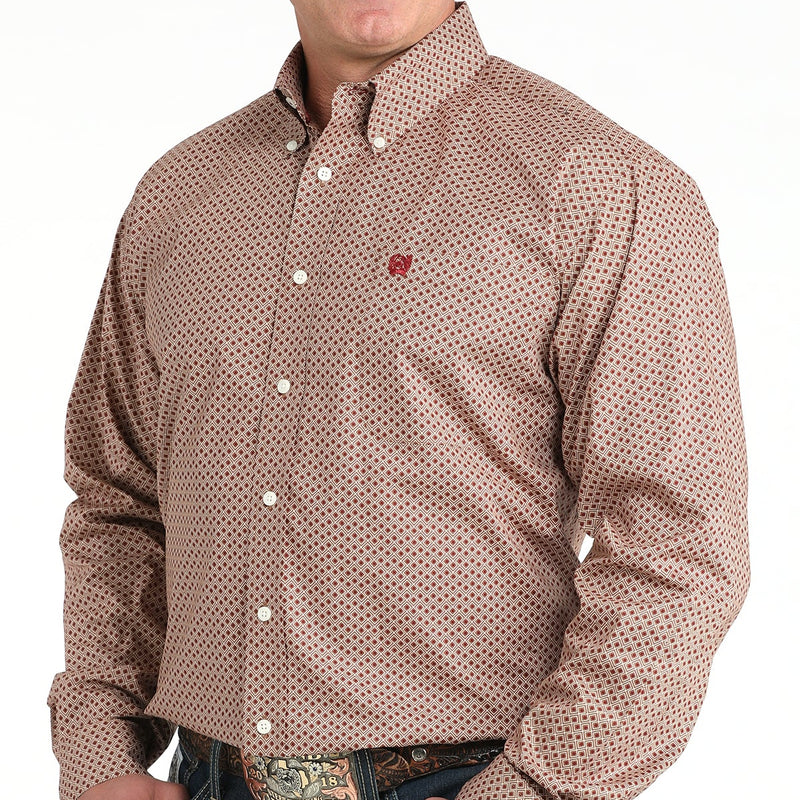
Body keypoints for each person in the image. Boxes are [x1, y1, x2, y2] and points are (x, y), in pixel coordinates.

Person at [47, 2, 750, 799]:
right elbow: (118, 498)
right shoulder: (180, 194)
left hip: (469, 778)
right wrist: (100, 755)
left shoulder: (595, 182)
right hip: (208, 777)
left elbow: (676, 542)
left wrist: (532, 790)